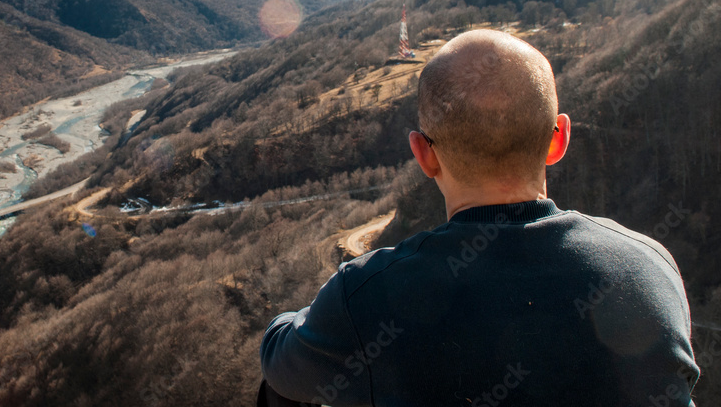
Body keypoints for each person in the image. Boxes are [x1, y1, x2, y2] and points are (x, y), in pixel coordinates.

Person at [259, 29, 699, 406]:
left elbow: (279, 363)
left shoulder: (366, 297)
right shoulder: (651, 266)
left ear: (423, 154)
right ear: (558, 140)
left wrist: (306, 316)